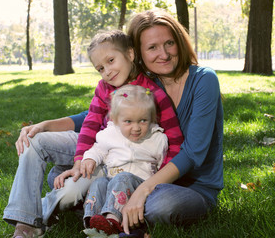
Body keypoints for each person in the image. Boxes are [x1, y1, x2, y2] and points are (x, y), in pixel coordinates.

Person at [40, 29, 183, 231]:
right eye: (100, 68)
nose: (107, 71)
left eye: (111, 61)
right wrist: (81, 159)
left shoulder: (155, 95)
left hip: (140, 179)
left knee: (120, 182)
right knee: (89, 185)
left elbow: (173, 144)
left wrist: (157, 182)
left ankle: (111, 219)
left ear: (131, 55)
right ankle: (89, 220)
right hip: (109, 169)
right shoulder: (104, 91)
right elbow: (91, 126)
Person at [117, 9, 224, 235]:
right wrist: (46, 126)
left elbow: (194, 153)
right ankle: (120, 208)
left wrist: (144, 190)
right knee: (60, 174)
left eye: (169, 43)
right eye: (152, 47)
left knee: (161, 205)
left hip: (193, 189)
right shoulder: (146, 85)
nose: (164, 54)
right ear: (138, 54)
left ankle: (116, 208)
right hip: (145, 175)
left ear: (180, 43)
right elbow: (98, 115)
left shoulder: (204, 80)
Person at [81, 85, 168, 236]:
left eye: (143, 121)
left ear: (152, 118)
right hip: (112, 184)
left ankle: (112, 221)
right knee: (99, 183)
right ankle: (93, 222)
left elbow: (163, 167)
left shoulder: (157, 139)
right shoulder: (110, 134)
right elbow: (98, 149)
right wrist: (90, 158)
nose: (136, 128)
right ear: (115, 120)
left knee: (123, 177)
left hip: (139, 188)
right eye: (128, 121)